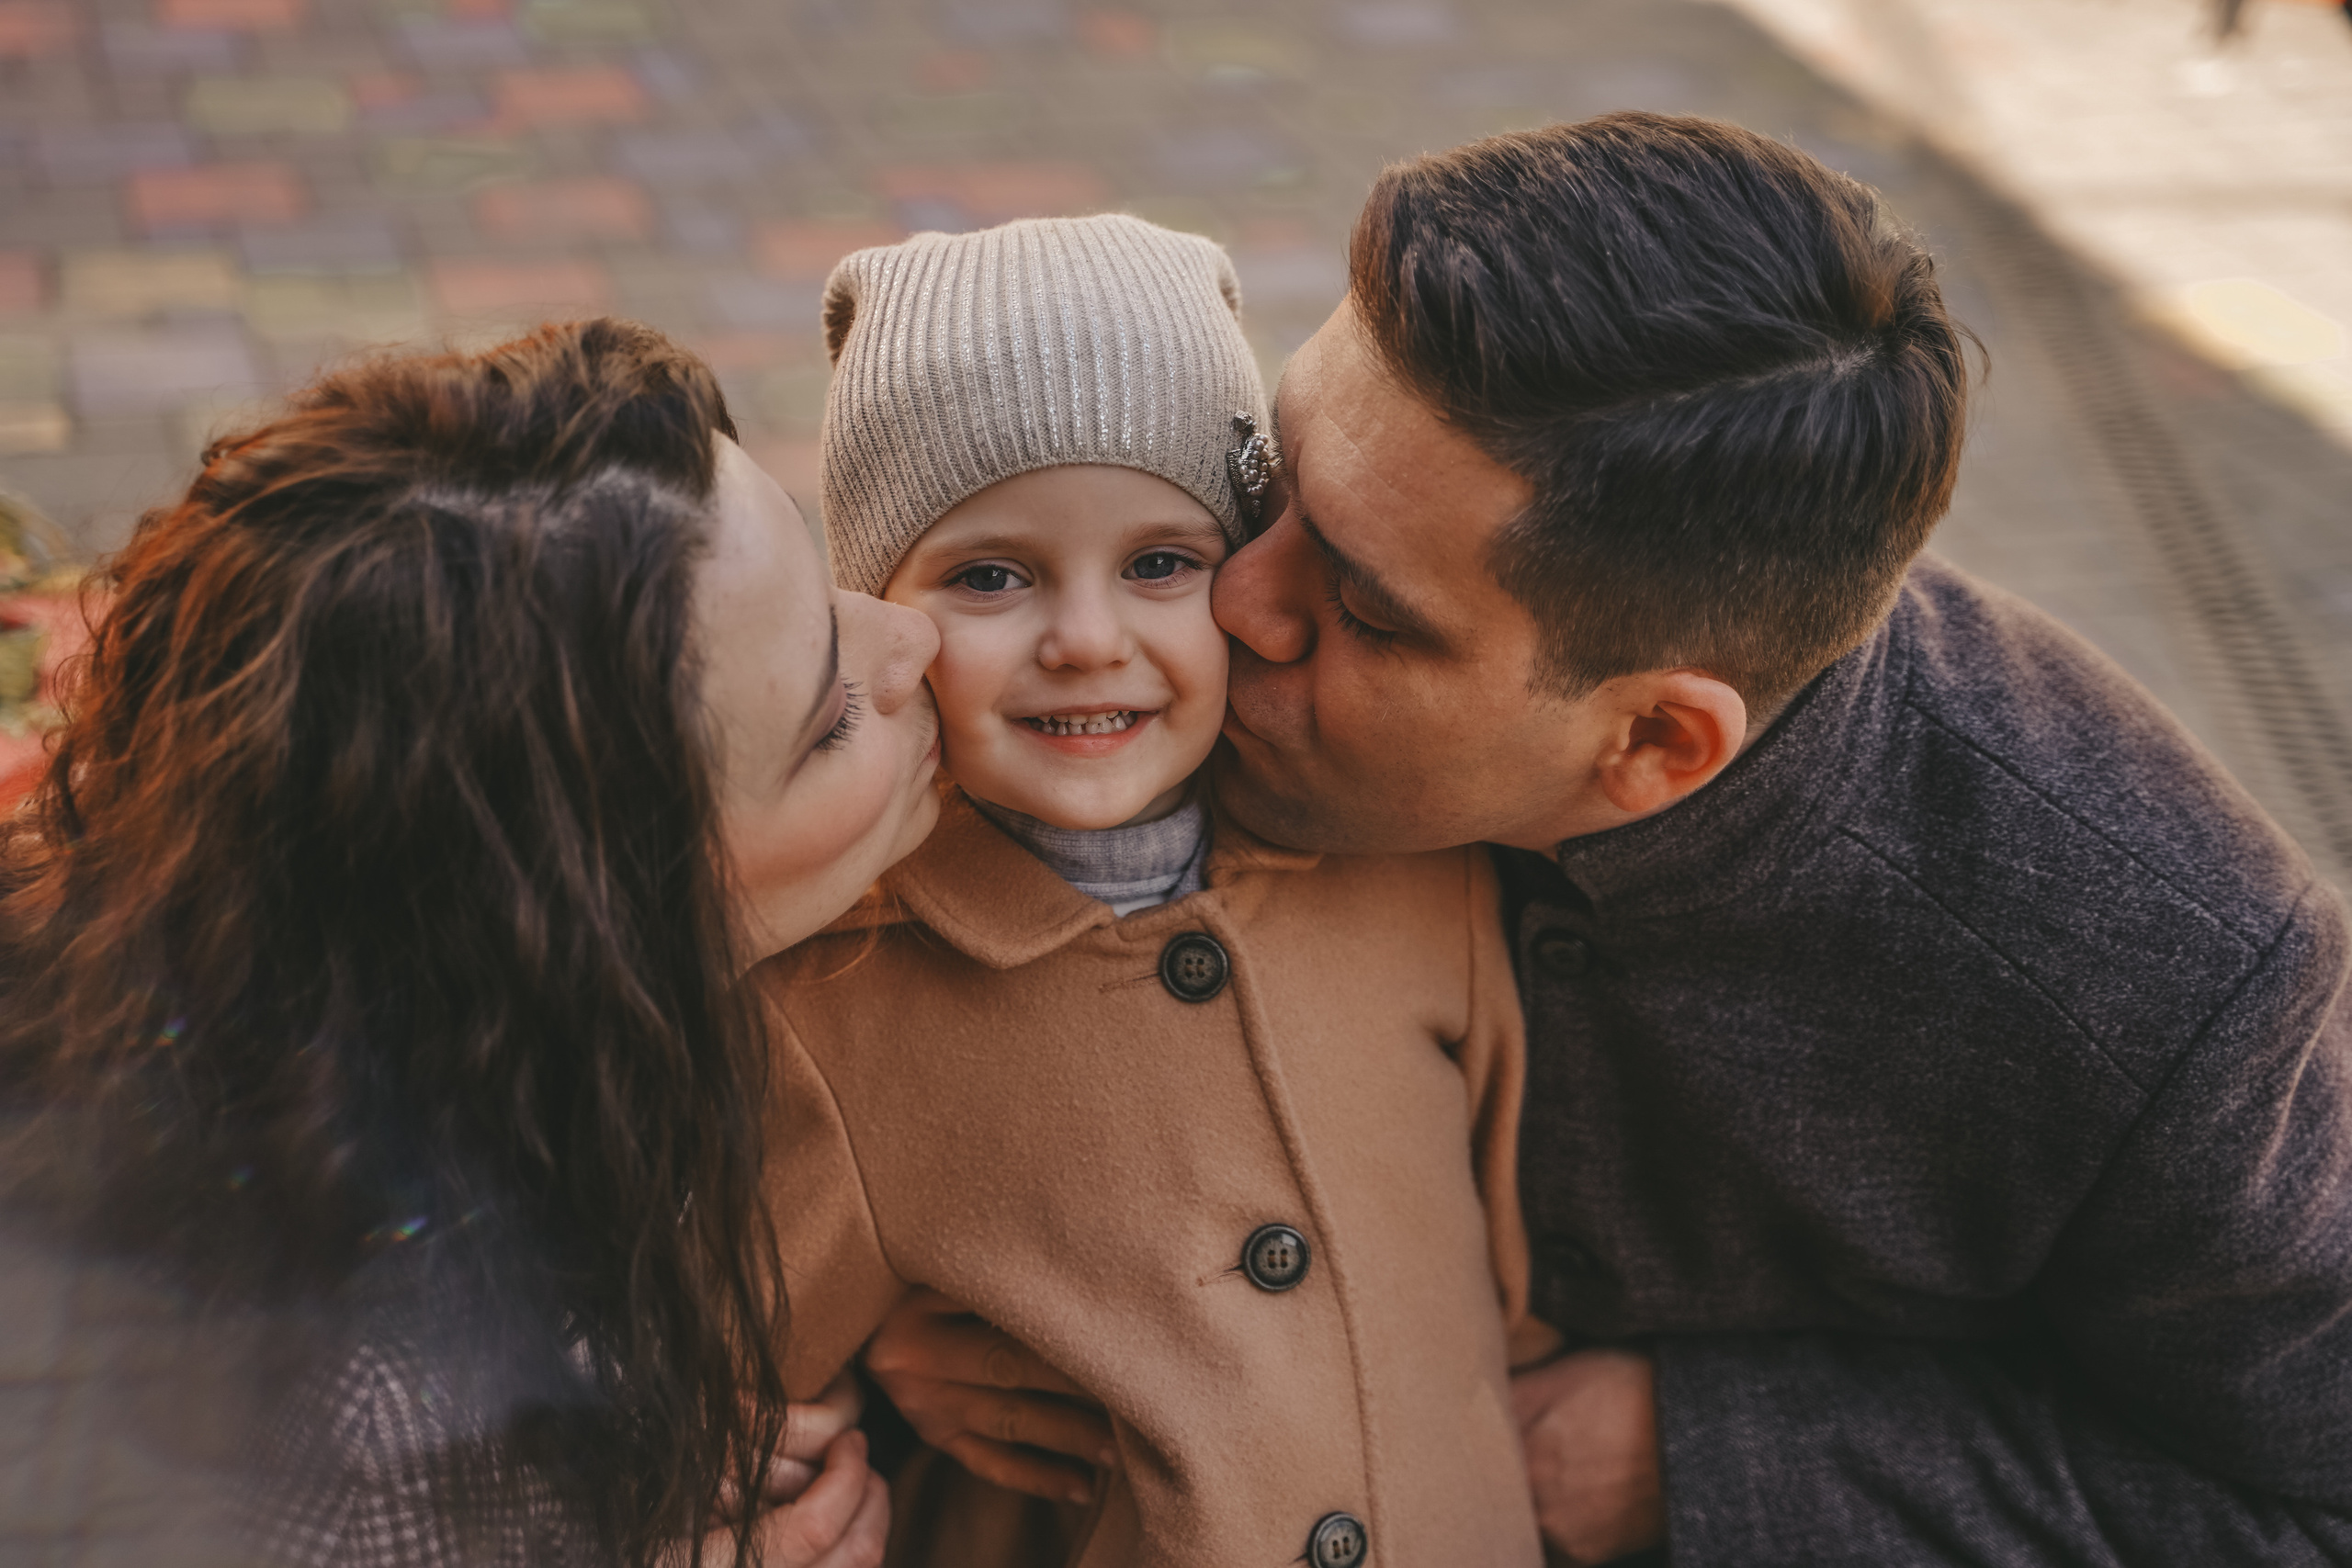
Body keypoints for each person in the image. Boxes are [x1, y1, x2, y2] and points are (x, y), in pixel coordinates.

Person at [863, 115, 2352, 1565]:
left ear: (1650, 745)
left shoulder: (2172, 979)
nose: (1229, 606)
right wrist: (889, 1335)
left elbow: (2308, 1506)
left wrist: (1712, 1460)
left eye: (1367, 613)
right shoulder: (1098, 696)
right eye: (1270, 479)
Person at [0, 319, 943, 1567]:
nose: (910, 636)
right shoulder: (368, 1436)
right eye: (829, 721)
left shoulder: (347, 1052)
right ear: (602, 927)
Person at [756, 214, 1544, 1568]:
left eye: (1160, 563)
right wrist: (864, 1380)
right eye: (990, 576)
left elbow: (1523, 1271)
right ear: (883, 608)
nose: (1084, 638)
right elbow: (740, 1377)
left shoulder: (1418, 873)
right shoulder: (838, 984)